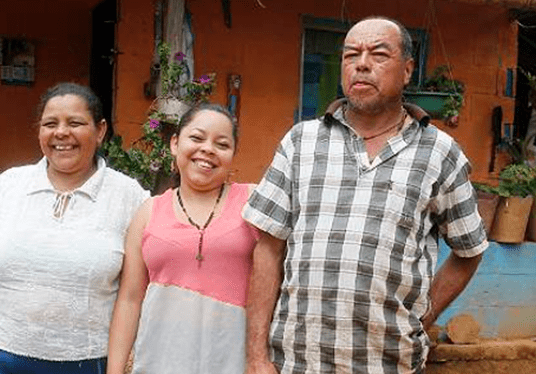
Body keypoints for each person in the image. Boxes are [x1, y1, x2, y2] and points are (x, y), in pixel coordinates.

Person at [243, 16, 488, 374]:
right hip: (297, 362)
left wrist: (422, 316)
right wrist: (256, 357)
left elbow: (469, 250)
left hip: (390, 363)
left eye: (378, 54)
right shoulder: (301, 142)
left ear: (407, 71)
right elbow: (267, 249)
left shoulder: (439, 153)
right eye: (351, 54)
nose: (361, 63)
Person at [0, 82, 149, 374]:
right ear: (39, 132)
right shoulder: (8, 185)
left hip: (85, 363)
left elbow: (134, 292)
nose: (61, 133)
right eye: (50, 124)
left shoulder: (129, 197)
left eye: (75, 123)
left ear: (100, 130)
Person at [107, 103, 259, 374]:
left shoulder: (253, 203)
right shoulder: (149, 212)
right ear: (175, 144)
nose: (208, 149)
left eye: (222, 144)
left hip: (233, 364)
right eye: (197, 138)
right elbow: (129, 299)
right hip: (159, 362)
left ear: (233, 154)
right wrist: (115, 370)